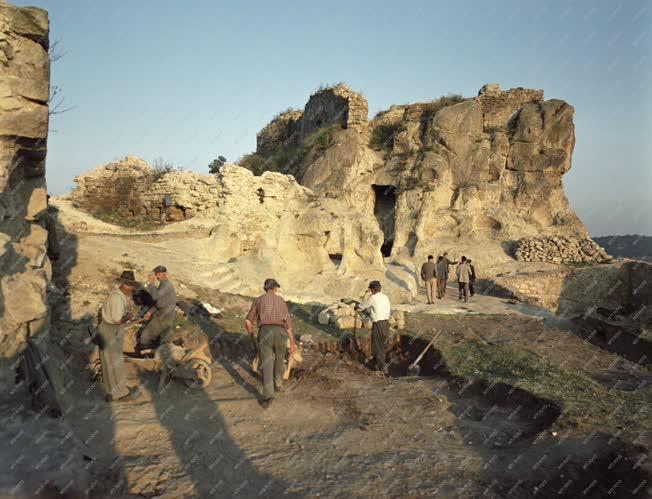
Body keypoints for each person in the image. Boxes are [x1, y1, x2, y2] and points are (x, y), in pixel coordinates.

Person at [245, 279, 296, 408]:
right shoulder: (281, 301)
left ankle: (268, 397)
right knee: (280, 358)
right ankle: (278, 383)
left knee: (266, 365)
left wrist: (251, 335)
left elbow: (248, 322)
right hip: (280, 332)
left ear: (266, 288)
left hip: (265, 332)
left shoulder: (258, 300)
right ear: (274, 289)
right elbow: (288, 325)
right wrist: (292, 342)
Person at [97, 271, 141, 402]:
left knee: (108, 362)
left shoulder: (116, 295)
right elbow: (117, 320)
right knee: (115, 362)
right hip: (111, 330)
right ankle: (120, 393)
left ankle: (112, 392)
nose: (131, 288)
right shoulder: (117, 298)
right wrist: (129, 317)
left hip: (107, 329)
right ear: (123, 284)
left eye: (131, 285)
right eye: (129, 285)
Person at [138, 265, 177, 351]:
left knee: (146, 334)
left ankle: (143, 352)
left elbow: (155, 296)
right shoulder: (163, 284)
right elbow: (158, 303)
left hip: (166, 313)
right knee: (162, 335)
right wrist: (149, 312)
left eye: (159, 274)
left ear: (165, 274)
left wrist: (151, 283)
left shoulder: (167, 285)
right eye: (156, 274)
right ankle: (152, 352)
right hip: (163, 311)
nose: (157, 276)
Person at [356, 281, 391, 375]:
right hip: (386, 323)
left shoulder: (373, 297)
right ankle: (378, 362)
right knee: (380, 344)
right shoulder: (385, 297)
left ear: (372, 290)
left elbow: (363, 306)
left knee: (378, 345)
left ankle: (382, 368)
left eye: (370, 289)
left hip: (379, 324)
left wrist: (356, 306)